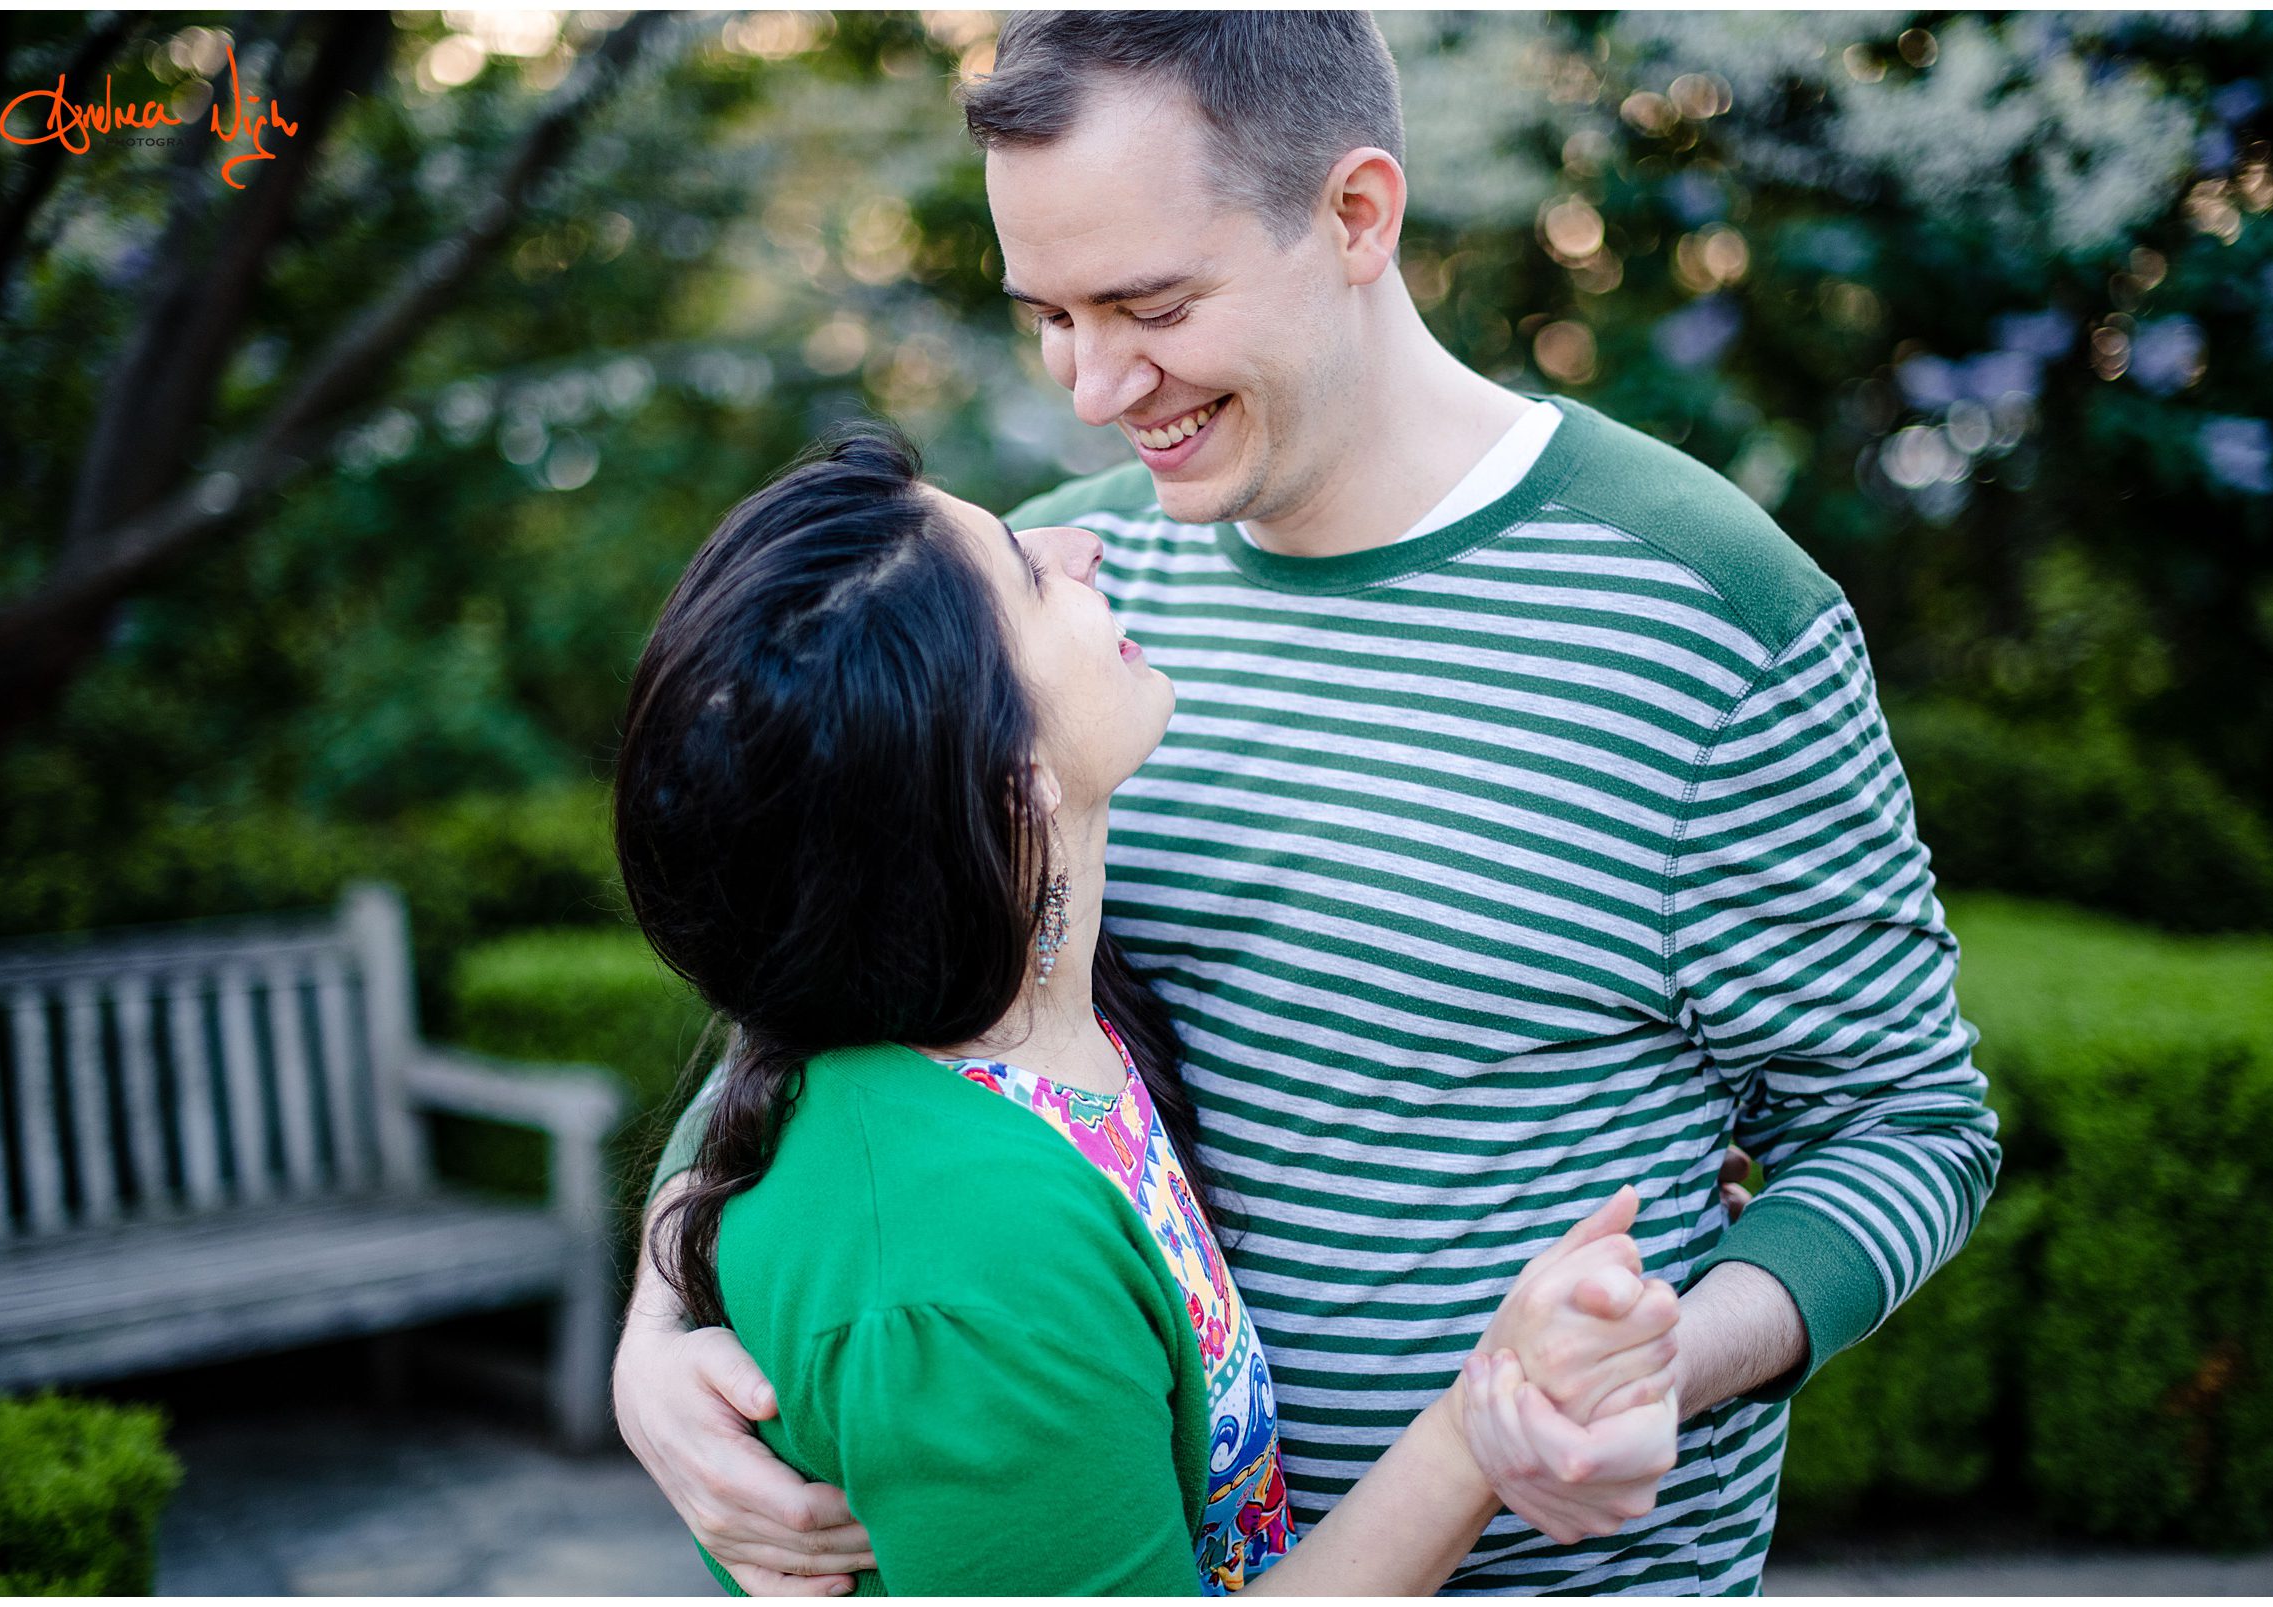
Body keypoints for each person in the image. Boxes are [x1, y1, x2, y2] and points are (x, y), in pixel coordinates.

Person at [617, 13, 2002, 1596]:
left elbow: (1904, 1123)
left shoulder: (1704, 613)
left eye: (1152, 304)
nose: (1094, 386)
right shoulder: (1050, 602)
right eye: (1050, 315)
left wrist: (1652, 1363)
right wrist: (662, 1325)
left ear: (1356, 212)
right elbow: (830, 979)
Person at [612, 425, 1689, 1594]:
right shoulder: (964, 1262)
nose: (1081, 542)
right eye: (1029, 572)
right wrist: (1483, 1422)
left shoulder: (1015, 1022)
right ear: (1008, 777)